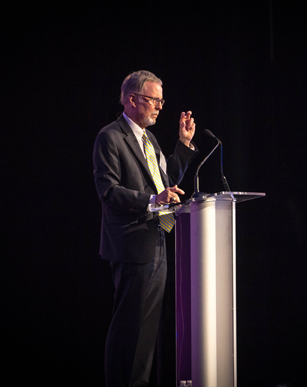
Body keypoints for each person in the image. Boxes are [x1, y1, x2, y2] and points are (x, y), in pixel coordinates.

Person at [93, 70, 198, 387]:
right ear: (131, 99)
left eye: (161, 100)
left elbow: (165, 182)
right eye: (154, 99)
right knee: (128, 329)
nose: (159, 107)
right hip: (130, 246)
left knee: (147, 332)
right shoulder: (110, 137)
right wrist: (153, 200)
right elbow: (108, 191)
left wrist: (182, 145)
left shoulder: (149, 139)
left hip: (156, 243)